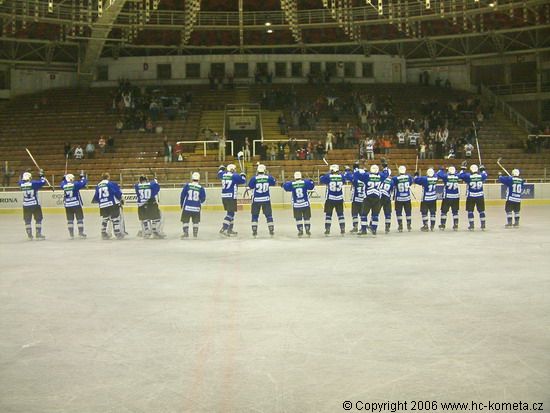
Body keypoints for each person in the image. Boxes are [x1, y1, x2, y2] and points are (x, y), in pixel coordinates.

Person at [355, 164, 389, 235]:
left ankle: (363, 230)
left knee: (364, 214)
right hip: (377, 198)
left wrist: (357, 169)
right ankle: (374, 230)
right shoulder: (381, 176)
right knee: (375, 215)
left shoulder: (366, 176)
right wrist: (385, 167)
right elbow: (386, 174)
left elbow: (356, 176)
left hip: (367, 198)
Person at [92, 172, 125, 240]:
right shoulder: (110, 183)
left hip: (103, 204)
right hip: (111, 203)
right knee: (115, 218)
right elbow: (116, 192)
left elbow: (96, 196)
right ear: (108, 177)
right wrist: (121, 199)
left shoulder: (98, 185)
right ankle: (117, 233)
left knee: (105, 218)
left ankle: (103, 233)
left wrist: (101, 202)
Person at [282, 171, 315, 237]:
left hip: (296, 205)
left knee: (298, 219)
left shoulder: (292, 184)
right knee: (307, 218)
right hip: (305, 204)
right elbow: (312, 186)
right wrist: (311, 180)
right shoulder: (305, 182)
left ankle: (300, 230)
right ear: (301, 176)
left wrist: (284, 183)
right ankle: (307, 229)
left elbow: (285, 187)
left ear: (295, 177)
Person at [248, 164, 276, 237]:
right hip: (266, 199)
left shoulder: (254, 178)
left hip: (256, 200)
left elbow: (250, 186)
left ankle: (254, 230)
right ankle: (271, 230)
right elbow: (273, 183)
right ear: (264, 171)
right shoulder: (269, 177)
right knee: (269, 215)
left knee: (255, 215)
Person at [218, 164, 246, 236]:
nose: (235, 170)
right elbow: (243, 181)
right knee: (231, 214)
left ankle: (230, 229)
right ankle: (224, 229)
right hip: (231, 197)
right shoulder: (235, 176)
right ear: (232, 169)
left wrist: (221, 168)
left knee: (230, 213)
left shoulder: (223, 174)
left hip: (224, 197)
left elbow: (219, 172)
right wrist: (243, 175)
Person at [458, 163, 488, 231]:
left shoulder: (468, 176)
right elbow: (485, 174)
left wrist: (463, 168)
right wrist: (482, 169)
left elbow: (460, 175)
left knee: (470, 211)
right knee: (481, 211)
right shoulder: (482, 175)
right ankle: (483, 224)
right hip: (480, 196)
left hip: (471, 196)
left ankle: (471, 225)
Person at [18, 170, 47, 240]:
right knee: (38, 219)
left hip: (26, 205)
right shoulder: (33, 184)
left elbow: (20, 180)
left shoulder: (21, 184)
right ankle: (38, 234)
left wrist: (25, 173)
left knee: (27, 220)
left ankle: (29, 235)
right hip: (34, 204)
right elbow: (43, 182)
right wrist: (42, 175)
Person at [320, 164, 347, 236]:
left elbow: (321, 179)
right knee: (340, 214)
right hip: (339, 198)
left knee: (328, 215)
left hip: (330, 199)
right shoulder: (342, 176)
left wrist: (326, 174)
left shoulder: (328, 176)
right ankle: (342, 228)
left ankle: (327, 229)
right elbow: (344, 181)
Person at [60, 172, 88, 239]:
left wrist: (63, 179)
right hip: (76, 204)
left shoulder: (63, 185)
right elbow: (83, 183)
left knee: (70, 220)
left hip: (68, 205)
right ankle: (80, 233)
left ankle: (71, 234)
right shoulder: (75, 184)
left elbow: (62, 183)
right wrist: (82, 177)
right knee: (79, 219)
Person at [180, 172, 206, 238]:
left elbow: (182, 196)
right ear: (199, 179)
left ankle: (186, 234)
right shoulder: (201, 188)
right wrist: (199, 202)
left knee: (185, 220)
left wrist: (181, 204)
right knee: (196, 221)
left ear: (192, 178)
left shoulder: (187, 186)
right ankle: (195, 234)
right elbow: (203, 199)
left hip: (187, 207)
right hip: (196, 208)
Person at [414, 168, 438, 232]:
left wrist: (416, 175)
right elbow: (436, 174)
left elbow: (416, 180)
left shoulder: (424, 179)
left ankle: (425, 225)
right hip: (433, 198)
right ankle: (432, 225)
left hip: (425, 199)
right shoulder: (435, 178)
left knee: (424, 212)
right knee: (433, 212)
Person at [436, 166, 460, 231]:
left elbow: (439, 174)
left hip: (447, 197)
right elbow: (461, 174)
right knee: (455, 212)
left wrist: (441, 169)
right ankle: (456, 224)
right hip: (456, 197)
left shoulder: (446, 176)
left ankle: (443, 224)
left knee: (444, 211)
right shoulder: (457, 176)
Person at [344, 162, 365, 233]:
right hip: (363, 199)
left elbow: (347, 176)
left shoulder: (354, 177)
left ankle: (355, 227)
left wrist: (347, 170)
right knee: (362, 214)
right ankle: (363, 227)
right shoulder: (365, 178)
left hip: (355, 199)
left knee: (354, 214)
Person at [392, 165, 414, 232]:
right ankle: (409, 225)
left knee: (399, 212)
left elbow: (393, 184)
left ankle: (400, 225)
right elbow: (410, 183)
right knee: (408, 212)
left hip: (399, 198)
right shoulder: (409, 177)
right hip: (407, 198)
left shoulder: (395, 178)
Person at [379, 167, 394, 234]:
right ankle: (387, 226)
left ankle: (372, 225)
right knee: (388, 213)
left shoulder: (380, 178)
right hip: (387, 198)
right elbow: (392, 190)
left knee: (376, 211)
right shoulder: (391, 181)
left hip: (380, 197)